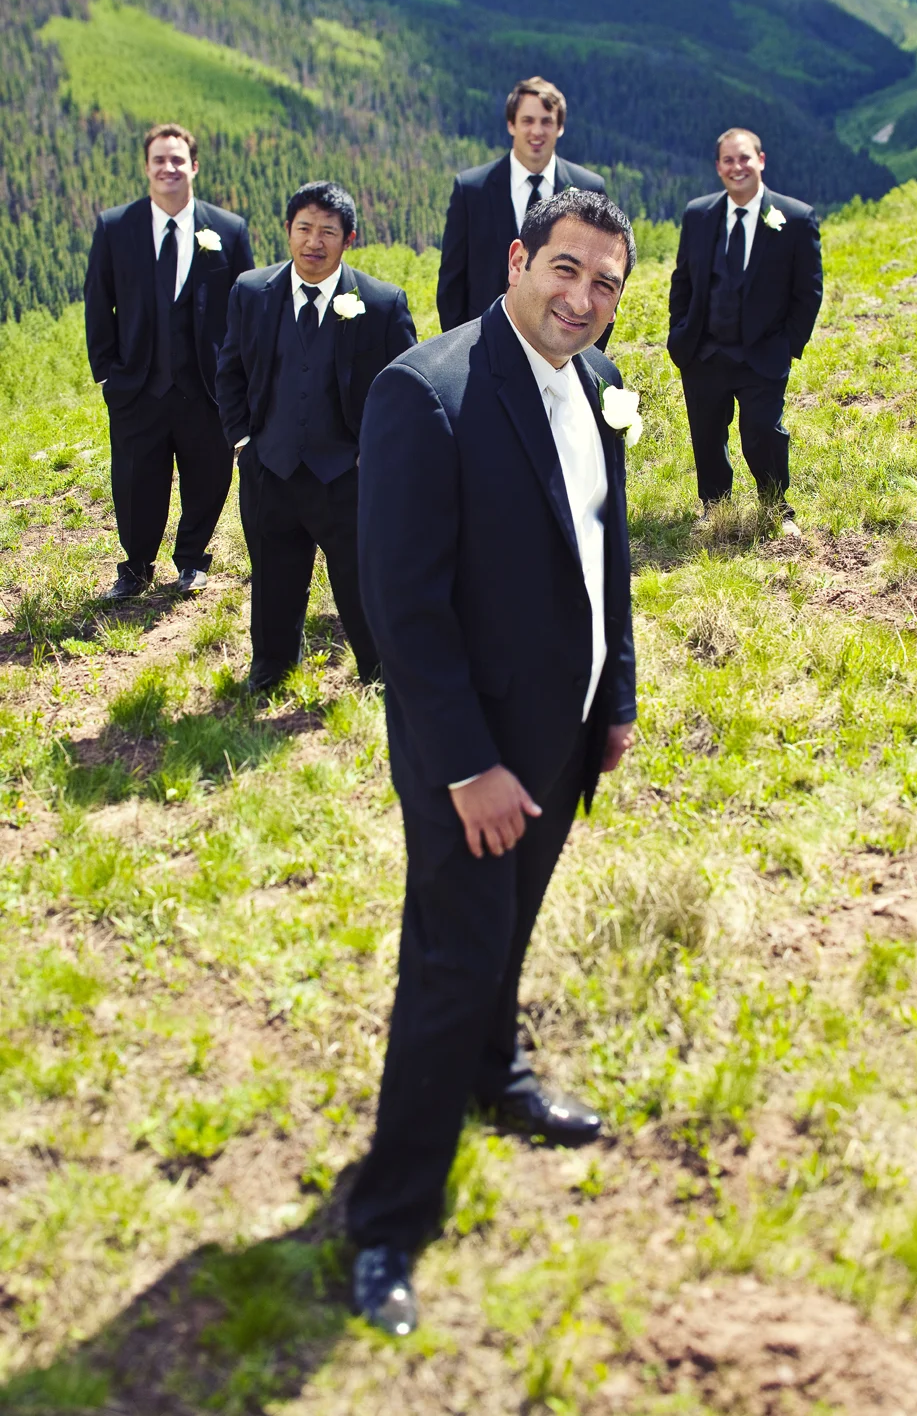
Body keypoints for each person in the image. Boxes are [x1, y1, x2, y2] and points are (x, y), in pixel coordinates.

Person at [349, 191, 638, 1334]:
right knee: (451, 963)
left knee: (510, 927)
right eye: (565, 269)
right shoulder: (426, 391)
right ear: (518, 259)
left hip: (563, 732)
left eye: (605, 282)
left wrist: (614, 700)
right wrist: (468, 766)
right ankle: (388, 1220)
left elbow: (605, 555)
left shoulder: (602, 383)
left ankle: (496, 1077)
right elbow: (403, 608)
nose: (582, 298)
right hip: (468, 751)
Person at [215, 181, 416, 692]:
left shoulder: (381, 303)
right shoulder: (251, 292)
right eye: (304, 228)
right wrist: (243, 442)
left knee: (361, 579)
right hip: (269, 468)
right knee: (273, 577)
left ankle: (378, 672)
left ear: (349, 239)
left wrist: (374, 456)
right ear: (287, 231)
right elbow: (230, 369)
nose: (313, 241)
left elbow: (403, 391)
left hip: (347, 475)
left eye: (328, 231)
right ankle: (272, 668)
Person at [84, 124, 254, 599]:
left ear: (193, 166)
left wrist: (238, 376)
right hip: (137, 385)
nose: (168, 167)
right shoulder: (115, 227)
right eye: (159, 159)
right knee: (135, 480)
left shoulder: (228, 229)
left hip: (207, 386)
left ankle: (193, 560)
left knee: (209, 475)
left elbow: (246, 308)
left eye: (177, 159)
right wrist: (108, 374)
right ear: (147, 167)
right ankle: (136, 567)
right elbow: (98, 302)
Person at [668, 127, 823, 536]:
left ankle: (775, 509)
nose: (737, 167)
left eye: (744, 158)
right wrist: (679, 332)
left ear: (761, 161)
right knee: (706, 434)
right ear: (718, 167)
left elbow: (808, 291)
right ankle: (714, 508)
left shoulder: (795, 218)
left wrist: (788, 345)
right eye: (728, 160)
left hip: (763, 352)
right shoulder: (698, 215)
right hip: (704, 351)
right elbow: (683, 280)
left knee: (763, 433)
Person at [436, 76, 606, 334]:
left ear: (560, 127)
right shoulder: (471, 190)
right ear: (511, 125)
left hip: (564, 341)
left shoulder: (589, 188)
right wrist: (462, 347)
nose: (537, 131)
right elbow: (452, 284)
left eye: (546, 121)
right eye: (527, 120)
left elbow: (603, 279)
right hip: (484, 340)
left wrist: (587, 351)